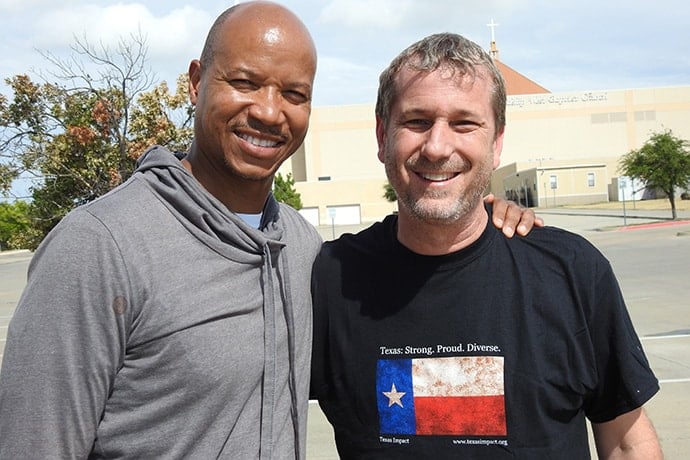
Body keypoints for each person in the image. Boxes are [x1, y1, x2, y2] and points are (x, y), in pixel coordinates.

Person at [0, 3, 538, 458]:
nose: (268, 111)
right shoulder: (100, 245)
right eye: (244, 82)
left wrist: (477, 214)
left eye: (294, 94)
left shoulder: (305, 251)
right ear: (195, 82)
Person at [310, 33, 663, 459]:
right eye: (417, 121)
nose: (438, 147)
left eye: (464, 123)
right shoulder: (331, 278)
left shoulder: (572, 271)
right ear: (383, 135)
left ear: (496, 143)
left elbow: (626, 440)